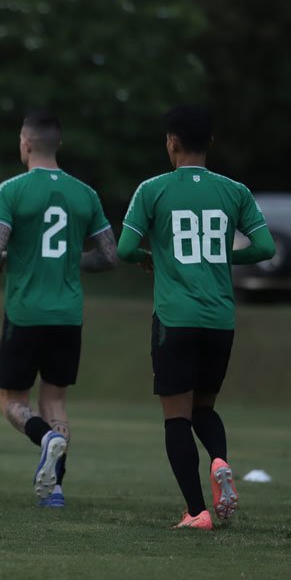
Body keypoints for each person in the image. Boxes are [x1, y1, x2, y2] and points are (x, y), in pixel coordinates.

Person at [116, 105, 275, 530]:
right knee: (204, 407)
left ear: (171, 142)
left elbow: (125, 249)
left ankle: (196, 511)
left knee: (176, 417)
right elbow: (266, 248)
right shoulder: (235, 191)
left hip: (175, 318)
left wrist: (153, 256)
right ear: (211, 144)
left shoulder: (152, 189)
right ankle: (220, 460)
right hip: (219, 320)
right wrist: (221, 256)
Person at [0, 111, 117, 508]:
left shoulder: (12, 190)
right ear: (58, 144)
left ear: (24, 143)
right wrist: (72, 261)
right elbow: (109, 255)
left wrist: (7, 261)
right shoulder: (84, 194)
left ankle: (45, 438)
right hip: (68, 315)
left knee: (11, 401)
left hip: (25, 311)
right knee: (56, 402)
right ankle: (55, 489)